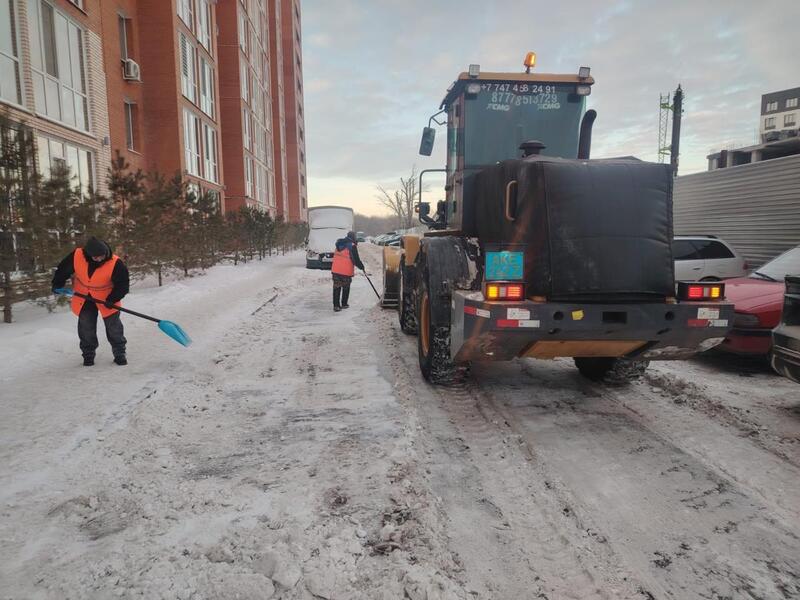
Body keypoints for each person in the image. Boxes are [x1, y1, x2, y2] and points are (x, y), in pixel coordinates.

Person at [52, 237, 130, 366]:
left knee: (113, 326)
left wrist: (113, 298)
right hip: (84, 296)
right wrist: (57, 283)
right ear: (88, 254)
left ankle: (119, 353)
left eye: (102, 256)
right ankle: (88, 354)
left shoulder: (115, 263)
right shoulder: (77, 256)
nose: (100, 259)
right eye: (96, 257)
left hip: (107, 297)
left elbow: (123, 284)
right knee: (86, 326)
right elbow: (63, 269)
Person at [331, 231, 364, 312]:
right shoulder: (352, 246)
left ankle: (336, 306)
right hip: (345, 271)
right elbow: (356, 260)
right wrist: (362, 267)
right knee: (346, 287)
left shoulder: (339, 244)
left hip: (336, 270)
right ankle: (344, 304)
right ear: (353, 237)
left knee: (336, 287)